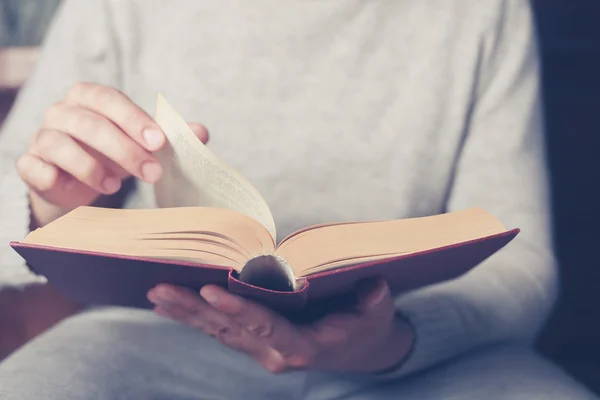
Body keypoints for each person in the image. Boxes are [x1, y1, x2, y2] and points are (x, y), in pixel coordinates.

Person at [0, 0, 596, 398]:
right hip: (145, 339)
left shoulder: (481, 11)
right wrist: (52, 207)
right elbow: (14, 199)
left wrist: (396, 340)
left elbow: (525, 262)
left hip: (421, 353)